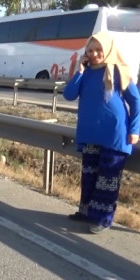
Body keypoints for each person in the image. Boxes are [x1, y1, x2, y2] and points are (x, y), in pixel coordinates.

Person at [63, 31, 140, 234]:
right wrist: (79, 70)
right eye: (91, 50)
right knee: (89, 175)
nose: (95, 54)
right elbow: (69, 95)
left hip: (114, 134)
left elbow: (135, 100)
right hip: (90, 133)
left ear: (108, 50)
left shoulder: (118, 71)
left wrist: (135, 129)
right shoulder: (86, 72)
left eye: (99, 50)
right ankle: (86, 211)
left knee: (107, 179)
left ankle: (102, 218)